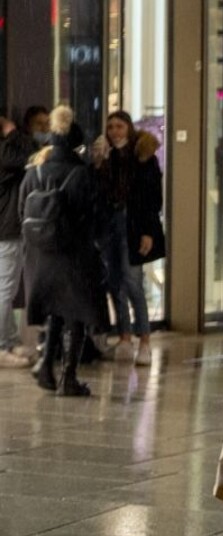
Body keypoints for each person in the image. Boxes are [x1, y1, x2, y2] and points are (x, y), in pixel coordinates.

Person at [19, 107, 109, 396]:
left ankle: (46, 365)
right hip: (73, 254)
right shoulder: (81, 174)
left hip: (40, 256)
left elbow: (22, 212)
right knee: (76, 313)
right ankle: (68, 377)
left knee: (55, 311)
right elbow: (95, 216)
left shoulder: (34, 172)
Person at [93, 110, 164, 366]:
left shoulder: (143, 157)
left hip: (132, 225)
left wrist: (148, 232)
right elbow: (98, 193)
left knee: (133, 281)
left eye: (119, 126)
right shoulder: (106, 157)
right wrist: (99, 164)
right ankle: (124, 337)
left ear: (129, 128)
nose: (114, 131)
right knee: (114, 282)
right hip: (109, 225)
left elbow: (152, 198)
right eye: (110, 127)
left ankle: (144, 340)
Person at [0, 107, 45, 368]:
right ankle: (2, 346)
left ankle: (10, 340)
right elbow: (32, 155)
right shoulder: (7, 154)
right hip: (6, 230)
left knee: (4, 288)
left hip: (6, 229)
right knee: (5, 290)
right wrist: (14, 133)